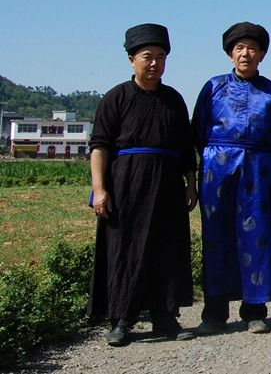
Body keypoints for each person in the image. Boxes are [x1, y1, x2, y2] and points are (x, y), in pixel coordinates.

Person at [87, 23, 197, 346]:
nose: (154, 63)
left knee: (167, 249)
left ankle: (165, 317)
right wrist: (99, 189)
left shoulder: (174, 100)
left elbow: (186, 149)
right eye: (148, 56)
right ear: (131, 59)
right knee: (124, 249)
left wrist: (191, 184)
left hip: (167, 187)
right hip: (126, 187)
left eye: (161, 57)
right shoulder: (116, 98)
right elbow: (99, 147)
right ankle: (122, 319)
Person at [193, 22, 271, 335]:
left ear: (262, 55)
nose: (245, 54)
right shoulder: (213, 87)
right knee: (216, 237)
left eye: (252, 49)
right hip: (217, 171)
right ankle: (214, 312)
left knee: (258, 236)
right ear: (230, 54)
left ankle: (255, 310)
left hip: (259, 170)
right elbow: (198, 131)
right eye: (239, 48)